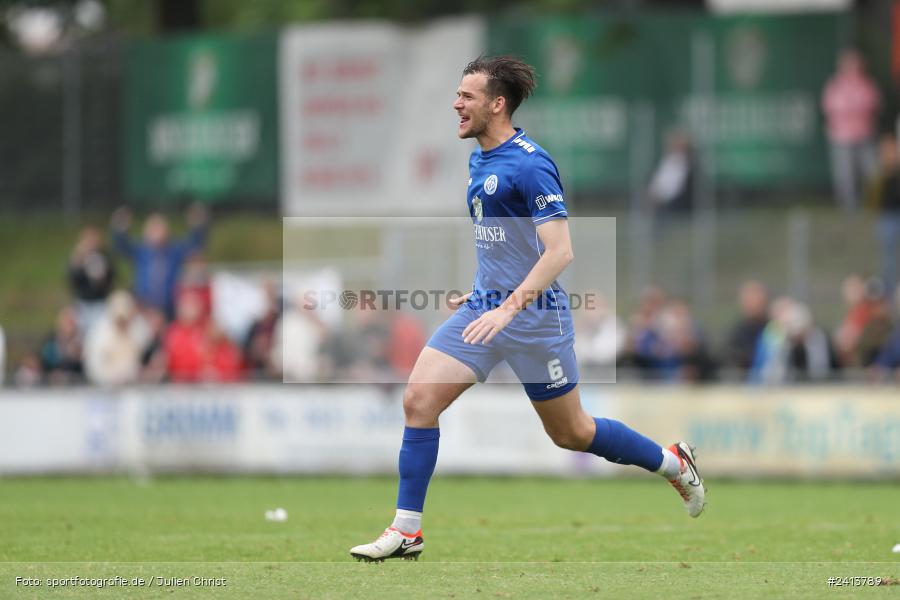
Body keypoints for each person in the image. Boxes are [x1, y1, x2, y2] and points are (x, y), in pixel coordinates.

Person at [350, 56, 705, 563]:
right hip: (485, 310)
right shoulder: (479, 160)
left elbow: (559, 252)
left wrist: (507, 309)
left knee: (572, 432)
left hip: (535, 319)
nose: (456, 104)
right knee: (419, 400)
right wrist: (482, 294)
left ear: (497, 104)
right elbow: (505, 245)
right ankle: (407, 530)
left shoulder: (531, 164)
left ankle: (672, 463)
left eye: (467, 96)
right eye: (457, 94)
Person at [110, 203, 209, 319]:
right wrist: (120, 227)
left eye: (159, 228)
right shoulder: (141, 251)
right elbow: (122, 246)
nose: (156, 232)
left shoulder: (174, 251)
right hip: (144, 310)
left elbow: (195, 245)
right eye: (153, 229)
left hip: (169, 310)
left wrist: (198, 224)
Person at [821, 49, 881, 211]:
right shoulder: (835, 85)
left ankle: (872, 204)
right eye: (849, 65)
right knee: (845, 175)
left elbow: (872, 104)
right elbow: (831, 107)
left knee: (871, 171)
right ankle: (849, 208)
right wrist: (853, 110)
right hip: (842, 137)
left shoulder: (867, 84)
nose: (853, 68)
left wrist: (853, 110)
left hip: (865, 135)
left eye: (856, 65)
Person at [68, 226, 116, 335]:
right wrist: (79, 261)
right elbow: (72, 279)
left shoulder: (104, 257)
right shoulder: (77, 258)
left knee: (99, 332)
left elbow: (111, 278)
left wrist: (103, 279)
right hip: (83, 303)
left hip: (100, 303)